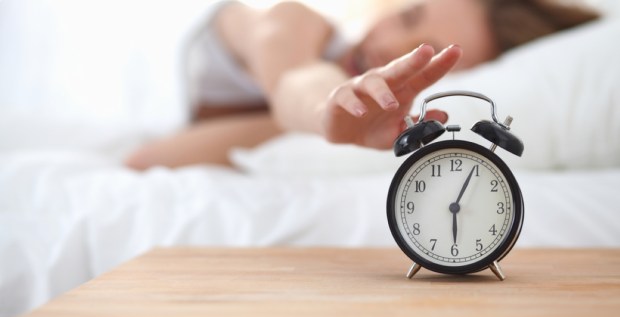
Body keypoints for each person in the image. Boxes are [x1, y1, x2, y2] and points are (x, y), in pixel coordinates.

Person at [125, 0, 599, 170]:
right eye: (408, 16)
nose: (387, 44)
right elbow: (299, 82)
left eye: (427, 55)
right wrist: (322, 114)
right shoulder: (293, 21)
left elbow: (150, 159)